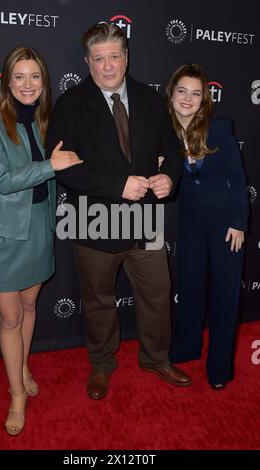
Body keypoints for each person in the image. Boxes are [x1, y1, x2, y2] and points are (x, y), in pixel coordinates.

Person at [46, 23, 192, 401]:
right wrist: (117, 186)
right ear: (87, 62)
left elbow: (172, 150)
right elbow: (63, 167)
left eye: (114, 56)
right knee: (98, 302)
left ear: (126, 58)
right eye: (99, 59)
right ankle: (102, 364)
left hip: (144, 220)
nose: (108, 66)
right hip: (92, 222)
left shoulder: (149, 98)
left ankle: (156, 359)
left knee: (159, 295)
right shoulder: (71, 103)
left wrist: (169, 178)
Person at [0, 45, 82, 435]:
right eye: (18, 77)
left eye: (35, 76)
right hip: (4, 235)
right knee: (10, 317)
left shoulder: (44, 121)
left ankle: (21, 363)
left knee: (30, 304)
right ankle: (16, 394)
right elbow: (3, 181)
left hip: (39, 228)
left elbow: (71, 163)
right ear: (6, 82)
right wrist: (50, 165)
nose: (27, 84)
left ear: (44, 81)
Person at [166, 64, 249, 390]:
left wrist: (239, 223)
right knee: (189, 287)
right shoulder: (165, 131)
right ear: (171, 93)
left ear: (205, 99)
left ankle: (219, 369)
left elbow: (239, 177)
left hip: (226, 223)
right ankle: (185, 348)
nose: (187, 99)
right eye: (182, 91)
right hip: (189, 223)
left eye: (196, 93)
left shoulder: (219, 128)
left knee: (224, 296)